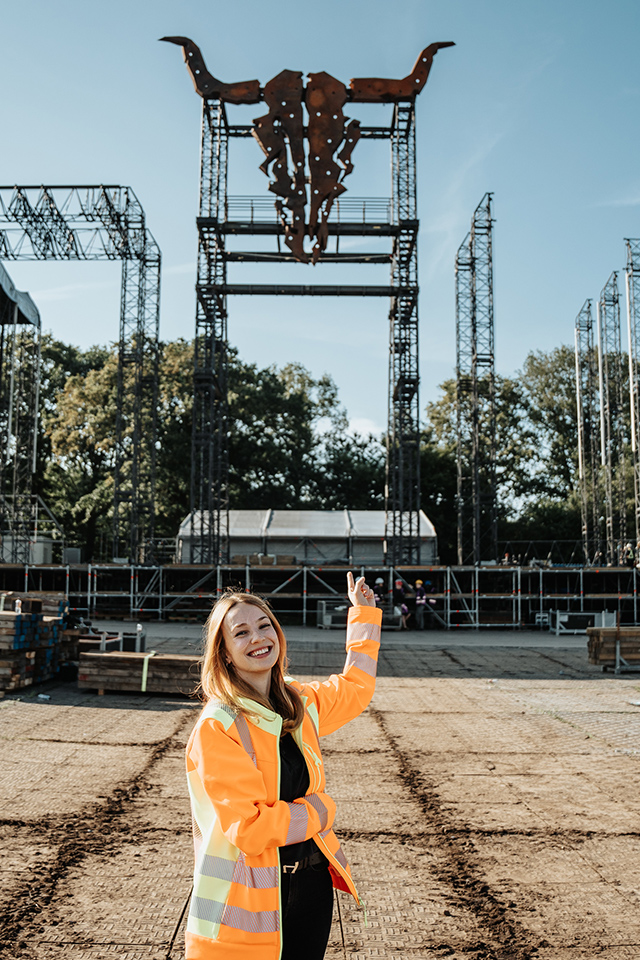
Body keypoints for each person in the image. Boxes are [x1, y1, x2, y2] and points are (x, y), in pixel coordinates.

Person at [184, 572, 382, 960]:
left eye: (264, 626)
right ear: (223, 652)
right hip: (245, 904)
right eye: (240, 633)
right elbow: (252, 829)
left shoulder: (297, 703)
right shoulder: (218, 726)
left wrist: (363, 616)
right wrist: (320, 810)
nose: (258, 638)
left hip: (311, 888)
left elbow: (356, 688)